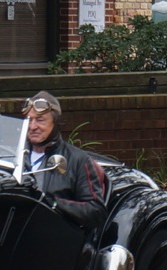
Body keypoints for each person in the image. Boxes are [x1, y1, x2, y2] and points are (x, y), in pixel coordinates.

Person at [23, 91, 107, 228]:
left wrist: (53, 203)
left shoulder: (78, 160)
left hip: (56, 237)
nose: (32, 127)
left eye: (40, 120)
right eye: (29, 120)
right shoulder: (15, 156)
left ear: (55, 123)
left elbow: (96, 211)